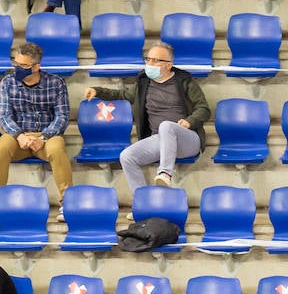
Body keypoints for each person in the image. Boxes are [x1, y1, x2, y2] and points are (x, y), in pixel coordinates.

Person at [84, 42, 211, 193]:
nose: (150, 63)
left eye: (156, 60)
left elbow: (203, 108)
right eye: (148, 59)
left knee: (166, 126)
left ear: (168, 65)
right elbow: (121, 94)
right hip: (159, 139)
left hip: (187, 139)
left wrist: (190, 121)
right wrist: (97, 91)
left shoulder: (184, 81)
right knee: (127, 156)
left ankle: (165, 173)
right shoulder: (144, 82)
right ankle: (142, 203)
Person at [0, 42, 72, 218]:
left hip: (47, 136)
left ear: (36, 67)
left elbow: (62, 117)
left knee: (57, 149)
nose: (18, 68)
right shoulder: (8, 82)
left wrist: (44, 137)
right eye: (16, 64)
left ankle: (68, 203)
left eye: (23, 66)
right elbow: (4, 116)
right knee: (1, 148)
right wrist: (19, 136)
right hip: (18, 135)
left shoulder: (56, 83)